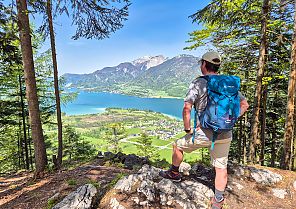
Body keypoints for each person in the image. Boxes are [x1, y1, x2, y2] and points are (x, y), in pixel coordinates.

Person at [159, 51, 249, 209]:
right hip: (225, 133)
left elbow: (187, 108)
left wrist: (188, 129)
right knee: (221, 168)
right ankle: (218, 201)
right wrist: (231, 120)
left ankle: (174, 173)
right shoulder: (228, 83)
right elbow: (244, 105)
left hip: (204, 133)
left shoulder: (198, 83)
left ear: (204, 65)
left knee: (177, 146)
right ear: (217, 66)